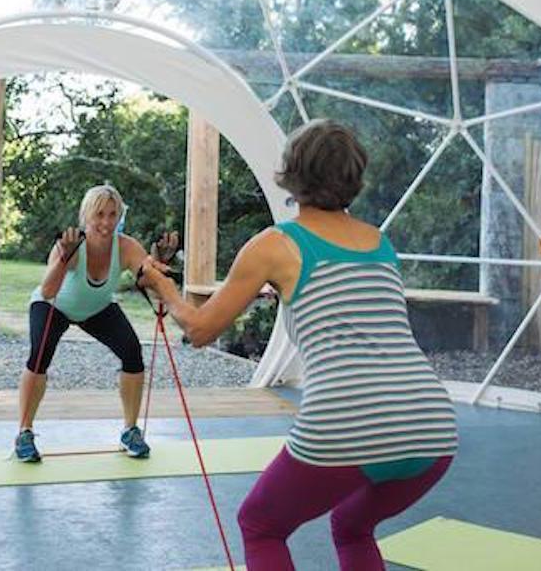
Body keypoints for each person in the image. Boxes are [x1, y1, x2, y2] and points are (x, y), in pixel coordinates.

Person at [141, 119, 457, 570]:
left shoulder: (275, 244)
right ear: (354, 176)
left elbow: (200, 329)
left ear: (292, 172)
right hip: (430, 425)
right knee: (352, 526)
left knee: (261, 525)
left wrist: (161, 286)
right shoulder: (380, 243)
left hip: (347, 418)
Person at [15, 184, 177, 462]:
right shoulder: (72, 244)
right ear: (86, 216)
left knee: (132, 353)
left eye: (112, 215)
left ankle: (130, 430)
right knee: (39, 355)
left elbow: (147, 273)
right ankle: (24, 432)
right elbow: (48, 291)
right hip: (55, 305)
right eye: (99, 214)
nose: (106, 222)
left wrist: (161, 262)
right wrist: (64, 257)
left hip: (97, 306)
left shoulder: (125, 247)